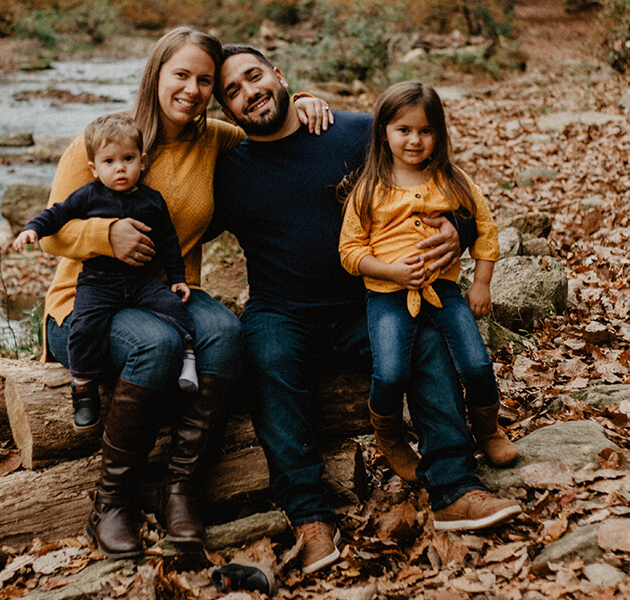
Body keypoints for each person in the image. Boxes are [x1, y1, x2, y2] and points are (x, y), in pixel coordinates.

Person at [212, 45, 523, 575]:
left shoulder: (356, 133)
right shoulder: (230, 170)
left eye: (254, 76)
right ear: (224, 109)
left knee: (426, 343)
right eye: (232, 92)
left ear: (279, 74)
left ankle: (454, 488)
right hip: (282, 310)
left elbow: (444, 181)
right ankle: (311, 518)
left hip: (372, 297)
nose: (249, 93)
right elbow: (163, 213)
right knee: (264, 359)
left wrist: (460, 231)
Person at [35, 28, 331, 558]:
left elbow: (271, 125)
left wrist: (304, 100)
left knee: (224, 331)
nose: (192, 90)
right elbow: (50, 233)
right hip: (86, 306)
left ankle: (182, 490)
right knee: (159, 344)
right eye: (181, 75)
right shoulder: (102, 141)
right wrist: (106, 234)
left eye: (204, 81)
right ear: (156, 75)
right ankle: (112, 501)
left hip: (171, 291)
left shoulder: (215, 140)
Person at [338, 81, 519, 486]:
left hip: (445, 292)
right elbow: (350, 251)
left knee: (475, 363)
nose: (415, 140)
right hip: (387, 296)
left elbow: (486, 229)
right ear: (384, 132)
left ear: (438, 134)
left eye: (425, 131)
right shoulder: (368, 189)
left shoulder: (452, 181)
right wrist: (391, 272)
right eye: (403, 130)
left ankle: (488, 429)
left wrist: (482, 283)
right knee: (390, 373)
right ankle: (390, 436)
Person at [16, 113, 199, 432]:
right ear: (94, 168)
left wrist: (179, 278)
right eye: (110, 161)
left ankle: (188, 361)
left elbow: (168, 241)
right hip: (98, 283)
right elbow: (57, 215)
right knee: (85, 326)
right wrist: (32, 229)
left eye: (128, 159)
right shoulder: (89, 195)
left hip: (141, 282)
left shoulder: (151, 200)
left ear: (142, 162)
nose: (120, 168)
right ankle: (83, 388)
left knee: (174, 308)